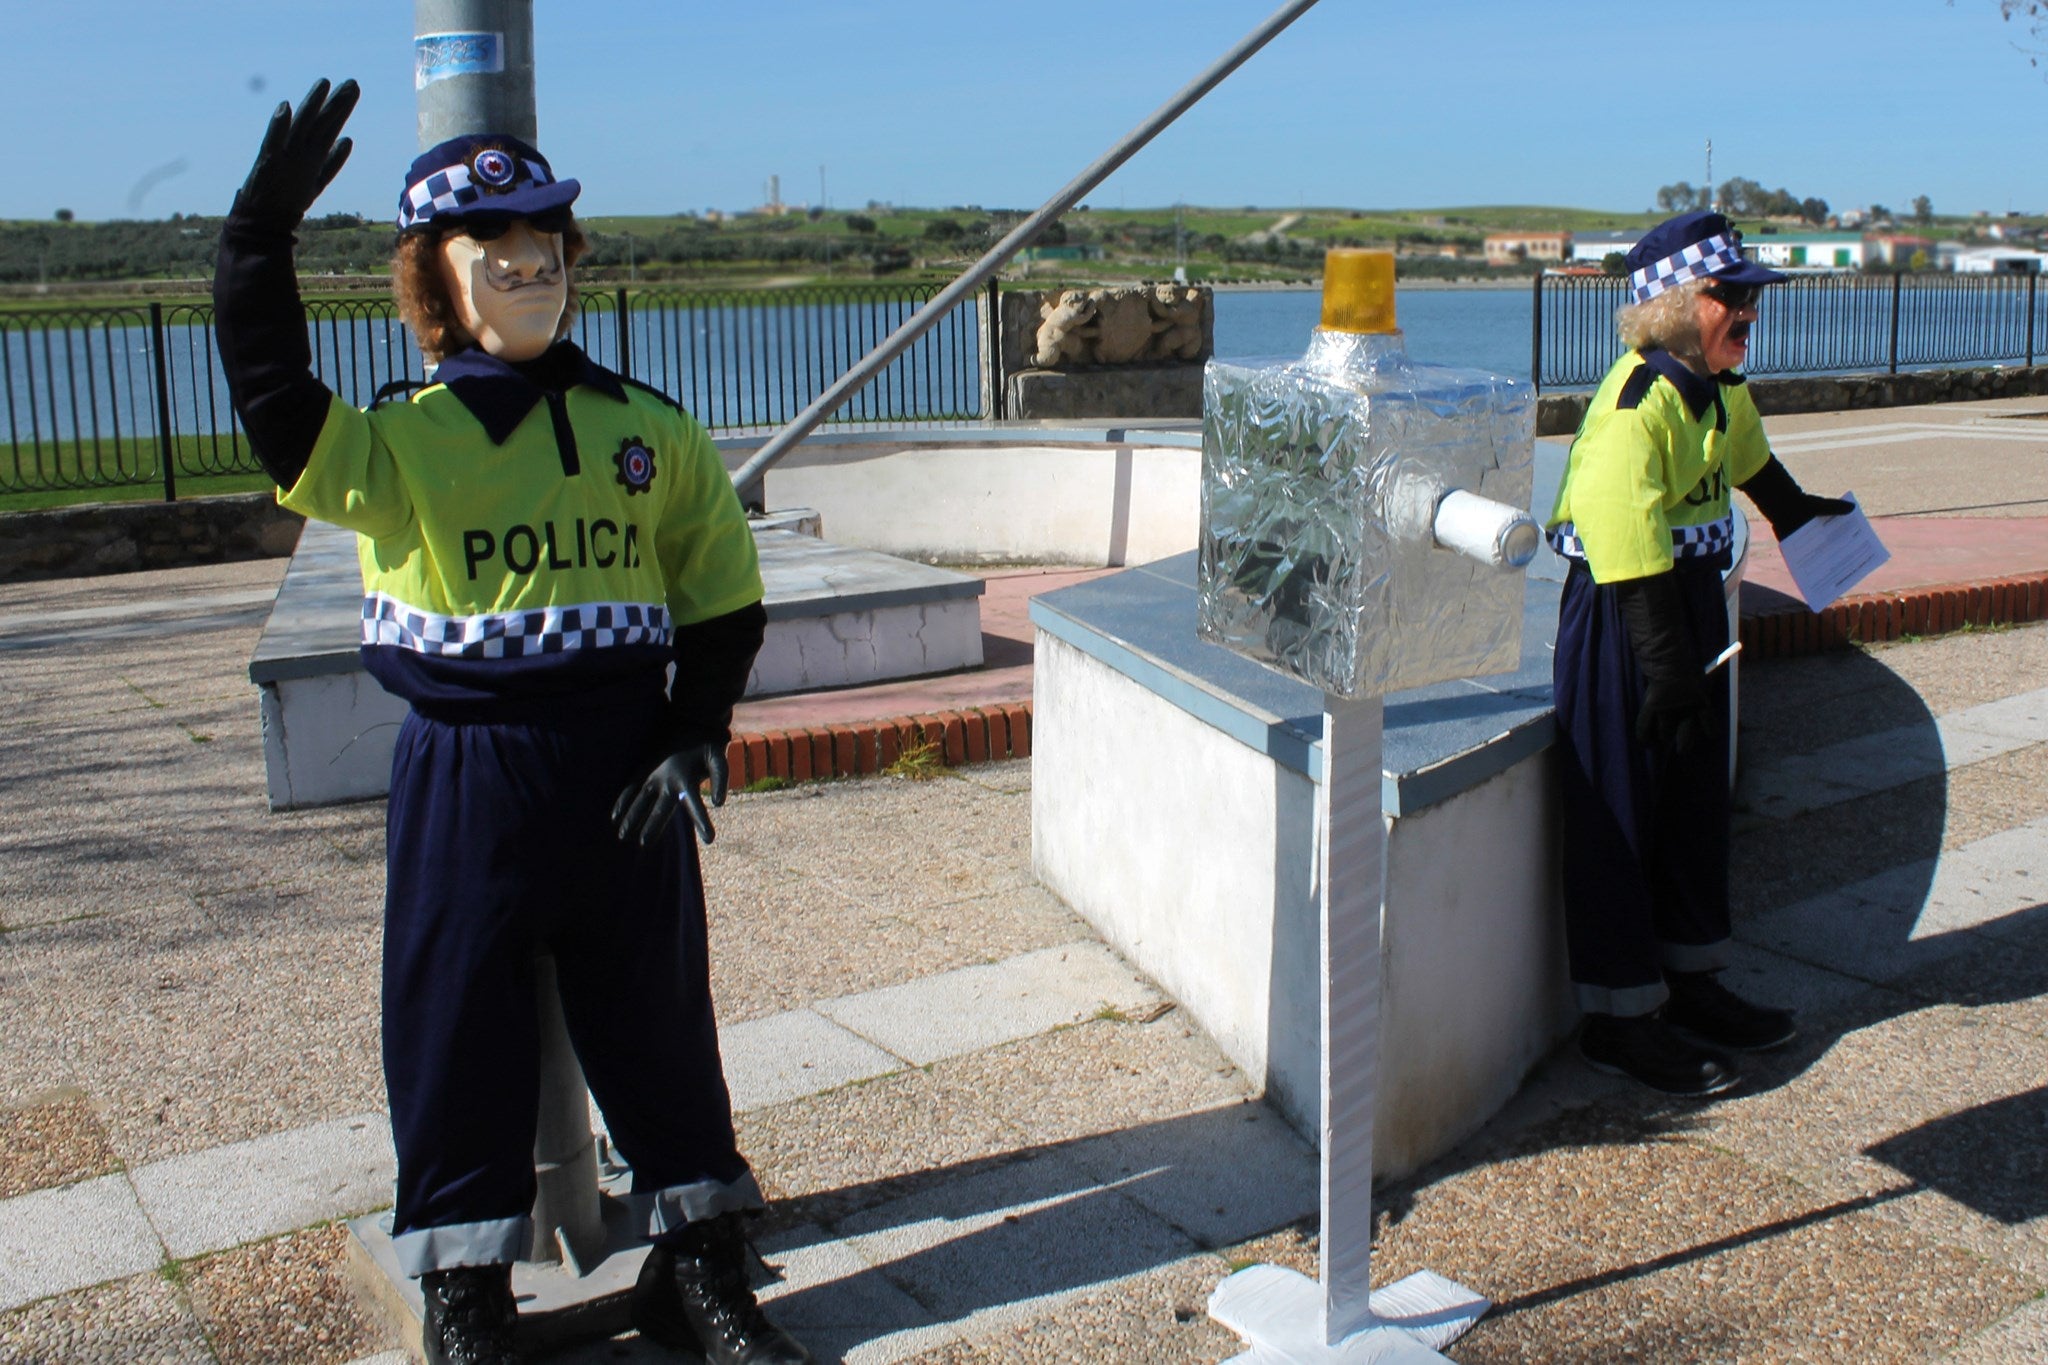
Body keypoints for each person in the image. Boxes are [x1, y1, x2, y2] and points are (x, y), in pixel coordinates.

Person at [212, 80, 810, 1365]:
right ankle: (467, 1291)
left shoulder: (647, 429)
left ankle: (699, 1267)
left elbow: (718, 593)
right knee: (452, 1029)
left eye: (544, 235)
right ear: (434, 277)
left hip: (626, 761)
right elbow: (274, 401)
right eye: (490, 241)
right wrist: (255, 242)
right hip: (468, 772)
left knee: (659, 1025)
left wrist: (696, 726)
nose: (528, 258)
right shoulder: (399, 443)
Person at [1544, 210, 1851, 1096]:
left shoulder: (1719, 387)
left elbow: (1752, 464)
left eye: (1749, 297)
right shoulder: (1634, 405)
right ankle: (1619, 1020)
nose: (1749, 313)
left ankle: (1690, 981)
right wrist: (1668, 668)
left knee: (1691, 803)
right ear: (1677, 307)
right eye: (1730, 297)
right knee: (1619, 811)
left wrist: (1802, 515)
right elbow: (1624, 541)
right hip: (1626, 617)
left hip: (1688, 606)